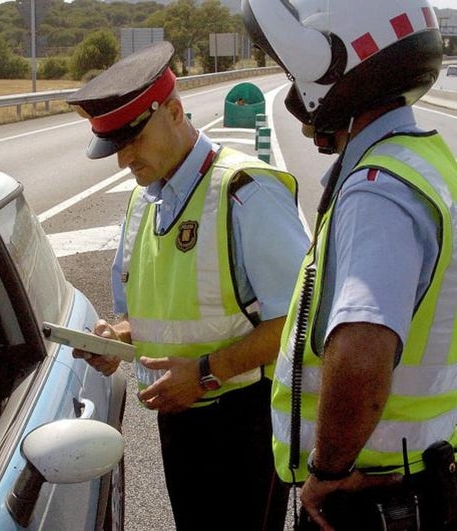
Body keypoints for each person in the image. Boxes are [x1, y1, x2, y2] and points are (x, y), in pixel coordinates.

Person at [65, 41, 310, 530]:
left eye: (132, 141)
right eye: (115, 147)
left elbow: (301, 321)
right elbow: (154, 311)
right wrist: (118, 338)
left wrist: (204, 373)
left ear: (174, 112)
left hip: (245, 424)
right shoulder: (145, 202)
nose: (123, 161)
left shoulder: (245, 191)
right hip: (179, 417)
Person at [242, 1, 457, 529]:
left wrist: (328, 469)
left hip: (373, 488)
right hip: (419, 468)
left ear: (338, 61)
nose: (293, 89)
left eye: (292, 70)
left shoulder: (377, 191)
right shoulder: (427, 160)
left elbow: (361, 355)